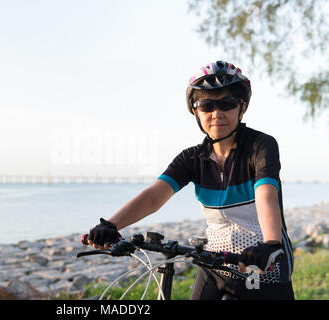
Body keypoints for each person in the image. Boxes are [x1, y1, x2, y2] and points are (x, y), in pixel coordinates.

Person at [86, 60, 295, 300]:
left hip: (262, 265)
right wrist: (111, 225)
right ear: (196, 111)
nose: (217, 114)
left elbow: (266, 196)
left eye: (227, 104)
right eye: (207, 105)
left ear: (242, 107)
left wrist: (270, 244)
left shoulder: (260, 146)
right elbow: (154, 197)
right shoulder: (192, 158)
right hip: (215, 265)